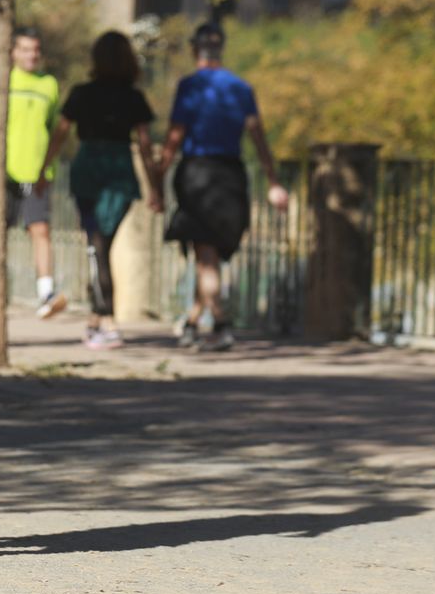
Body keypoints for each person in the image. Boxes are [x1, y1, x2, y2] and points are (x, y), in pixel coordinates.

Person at [158, 22, 288, 351]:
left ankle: (220, 322)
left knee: (205, 255)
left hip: (198, 173)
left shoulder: (190, 86)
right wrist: (273, 181)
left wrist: (157, 174)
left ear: (194, 49)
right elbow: (258, 138)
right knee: (209, 255)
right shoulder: (240, 88)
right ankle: (192, 321)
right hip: (231, 174)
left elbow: (175, 135)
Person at [36, 32, 163, 349]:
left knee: (98, 247)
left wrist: (43, 170)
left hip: (90, 169)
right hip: (120, 170)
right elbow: (145, 147)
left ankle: (108, 321)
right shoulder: (133, 97)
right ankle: (97, 320)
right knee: (100, 247)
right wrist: (155, 187)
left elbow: (60, 134)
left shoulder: (82, 93)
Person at [6, 27, 66, 318]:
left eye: (35, 50)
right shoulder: (4, 80)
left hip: (38, 172)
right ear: (14, 52)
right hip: (4, 173)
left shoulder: (50, 84)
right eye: (25, 49)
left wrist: (46, 166)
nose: (31, 55)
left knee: (40, 231)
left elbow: (57, 130)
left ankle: (46, 293)